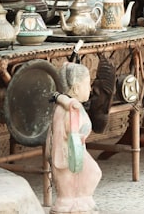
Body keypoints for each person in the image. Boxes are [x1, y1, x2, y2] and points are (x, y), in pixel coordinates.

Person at [49, 62, 101, 214]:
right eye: (87, 84)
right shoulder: (69, 109)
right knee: (92, 173)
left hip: (75, 149)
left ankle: (80, 199)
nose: (90, 89)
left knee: (90, 174)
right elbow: (72, 133)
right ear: (76, 88)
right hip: (70, 152)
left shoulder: (67, 106)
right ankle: (74, 202)